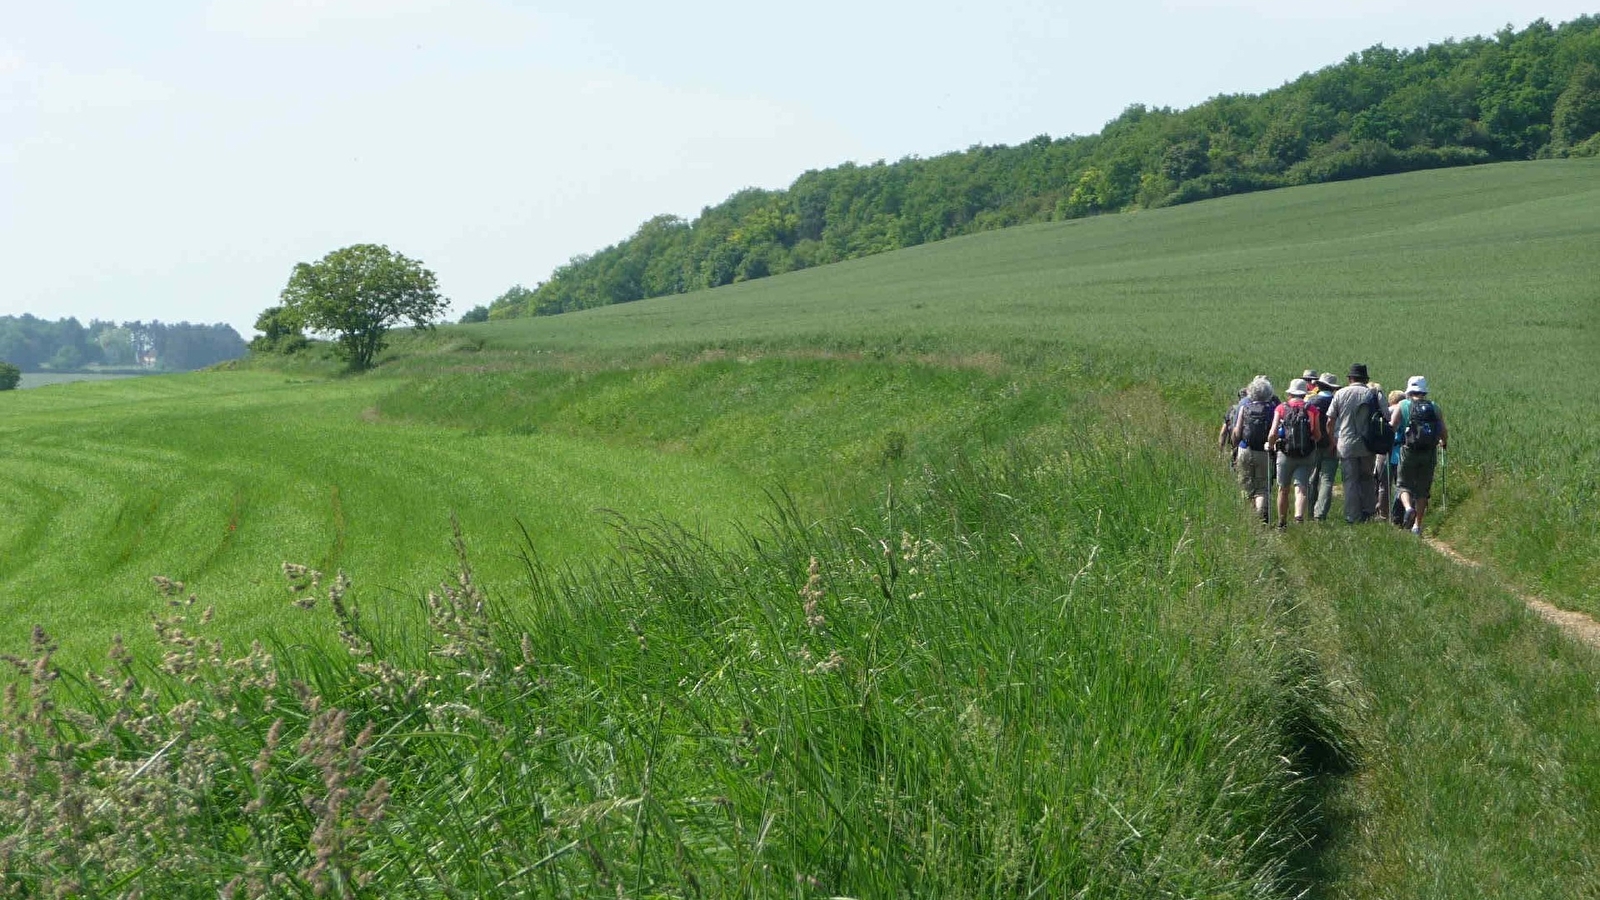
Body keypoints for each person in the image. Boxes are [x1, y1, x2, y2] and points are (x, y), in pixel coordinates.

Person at [1390, 375, 1449, 535]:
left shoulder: (1403, 405)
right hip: (1428, 453)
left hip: (1408, 451)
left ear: (1409, 390)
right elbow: (1443, 432)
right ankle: (1417, 525)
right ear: (1424, 391)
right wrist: (1443, 443)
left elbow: (1393, 427)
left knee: (1403, 485)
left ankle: (1408, 508)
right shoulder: (1434, 407)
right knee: (1423, 490)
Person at [1327, 363, 1383, 523]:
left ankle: (1352, 516)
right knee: (1367, 478)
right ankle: (1369, 512)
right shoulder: (1372, 394)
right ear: (1365, 379)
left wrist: (1333, 441)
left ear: (1350, 378)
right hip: (1368, 444)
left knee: (1350, 481)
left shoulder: (1340, 394)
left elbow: (1330, 421)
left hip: (1346, 444)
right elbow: (1385, 416)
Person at [1266, 378, 1321, 528]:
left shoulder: (1281, 408)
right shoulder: (1312, 410)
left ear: (1290, 393)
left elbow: (1272, 433)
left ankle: (1282, 522)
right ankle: (1298, 518)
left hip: (1285, 453)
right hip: (1306, 453)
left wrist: (1271, 446)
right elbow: (1317, 435)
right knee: (1302, 488)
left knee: (1283, 489)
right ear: (1304, 394)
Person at [1232, 375, 1276, 524]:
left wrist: (1236, 447)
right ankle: (1259, 517)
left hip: (1245, 449)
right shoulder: (1272, 410)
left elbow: (1237, 431)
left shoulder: (1244, 407)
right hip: (1263, 451)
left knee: (1245, 484)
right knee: (1262, 487)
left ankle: (1246, 518)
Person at [1306, 372, 1339, 520]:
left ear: (1318, 386)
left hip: (1313, 444)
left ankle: (1309, 511)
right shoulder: (1337, 402)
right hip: (1332, 444)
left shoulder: (1311, 402)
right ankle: (1320, 514)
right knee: (1327, 480)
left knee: (1312, 478)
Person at [1219, 388, 1247, 466]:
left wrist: (1221, 450)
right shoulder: (1250, 409)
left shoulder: (1232, 409)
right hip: (1247, 446)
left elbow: (1223, 432)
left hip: (1234, 444)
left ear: (1239, 397)